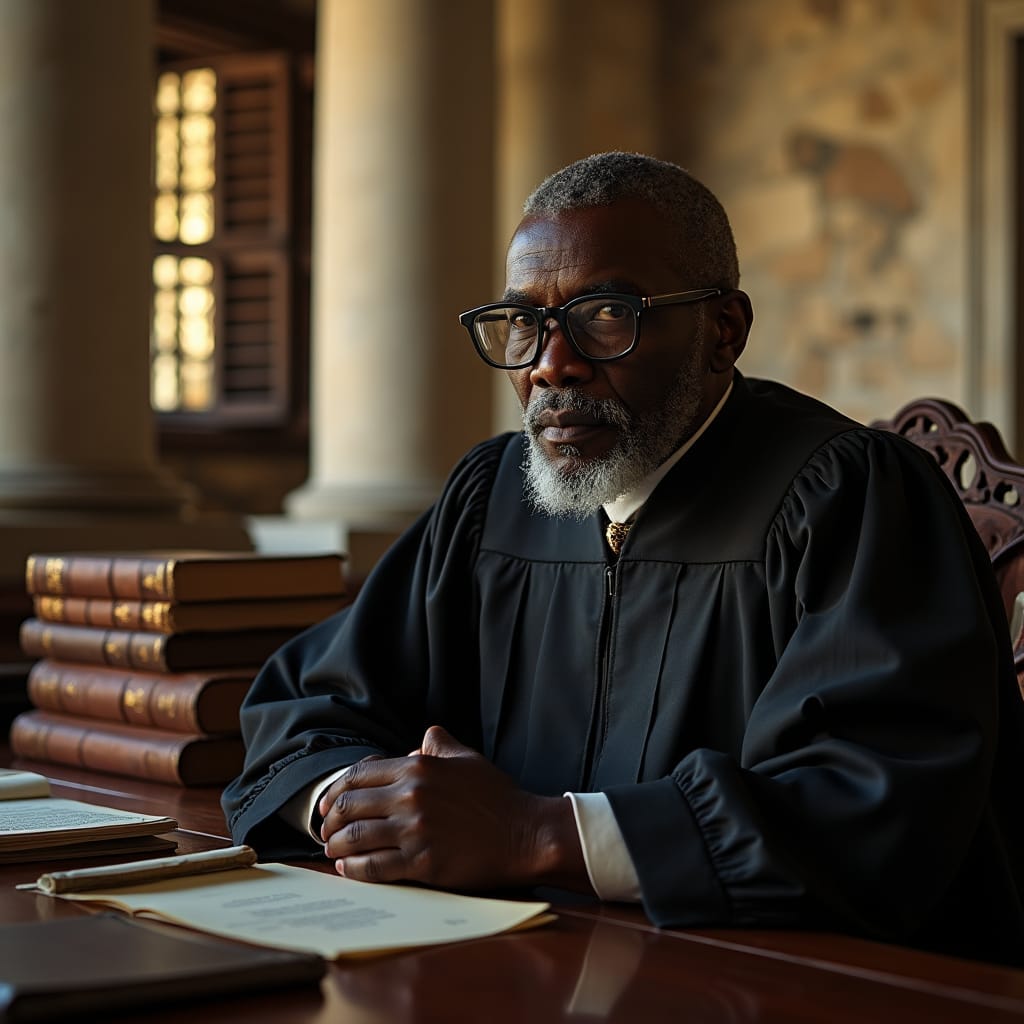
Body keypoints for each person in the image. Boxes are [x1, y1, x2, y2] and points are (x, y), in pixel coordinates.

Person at [222, 151, 1024, 964]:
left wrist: (536, 834)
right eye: (524, 322)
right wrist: (360, 808)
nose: (548, 364)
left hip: (775, 983)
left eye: (604, 313)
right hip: (513, 972)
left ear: (723, 331)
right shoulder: (490, 498)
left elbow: (873, 806)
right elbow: (307, 709)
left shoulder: (849, 499)